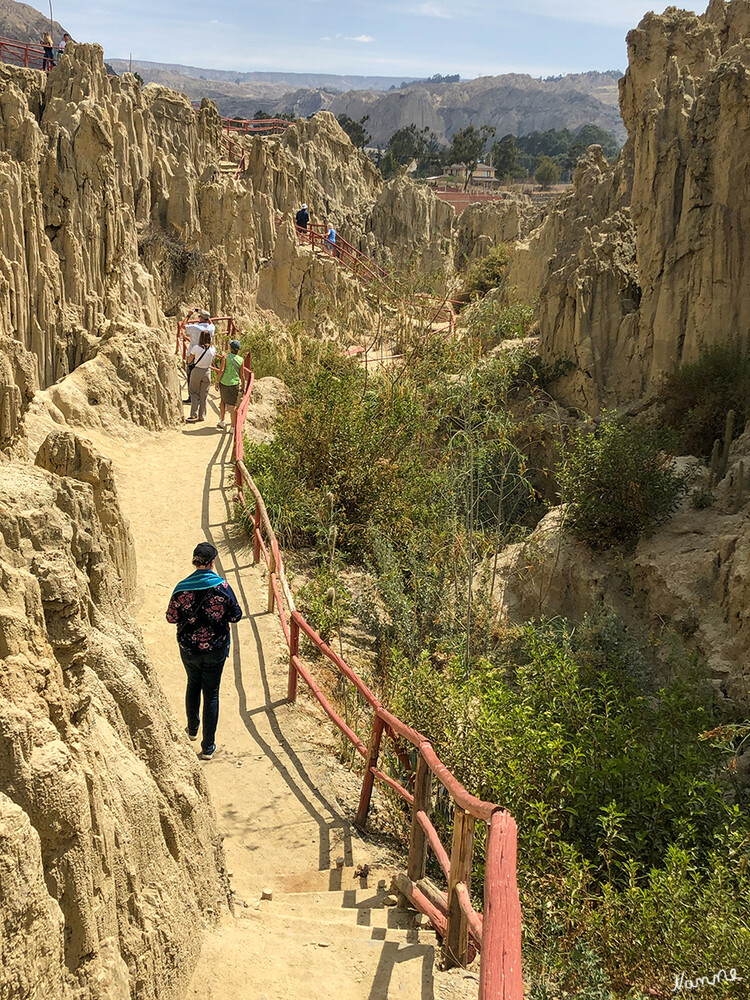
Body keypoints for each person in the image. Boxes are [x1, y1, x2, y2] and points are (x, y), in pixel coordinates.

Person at [166, 542, 242, 760]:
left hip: (189, 648)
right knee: (212, 693)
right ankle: (208, 747)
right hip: (216, 648)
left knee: (192, 683)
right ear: (212, 562)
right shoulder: (223, 588)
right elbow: (236, 615)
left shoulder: (181, 588)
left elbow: (171, 618)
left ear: (194, 561)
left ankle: (191, 729)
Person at [185, 329, 216, 423]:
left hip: (197, 371)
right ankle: (202, 415)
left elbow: (189, 361)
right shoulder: (213, 349)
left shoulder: (196, 348)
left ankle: (193, 414)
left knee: (194, 393)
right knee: (204, 395)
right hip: (207, 372)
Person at [215, 339, 246, 430]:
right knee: (233, 405)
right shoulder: (241, 360)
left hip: (224, 382)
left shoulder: (226, 357)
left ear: (231, 348)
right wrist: (243, 386)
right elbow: (242, 375)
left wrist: (217, 382)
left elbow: (221, 370)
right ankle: (232, 427)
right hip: (234, 384)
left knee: (223, 401)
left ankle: (222, 421)